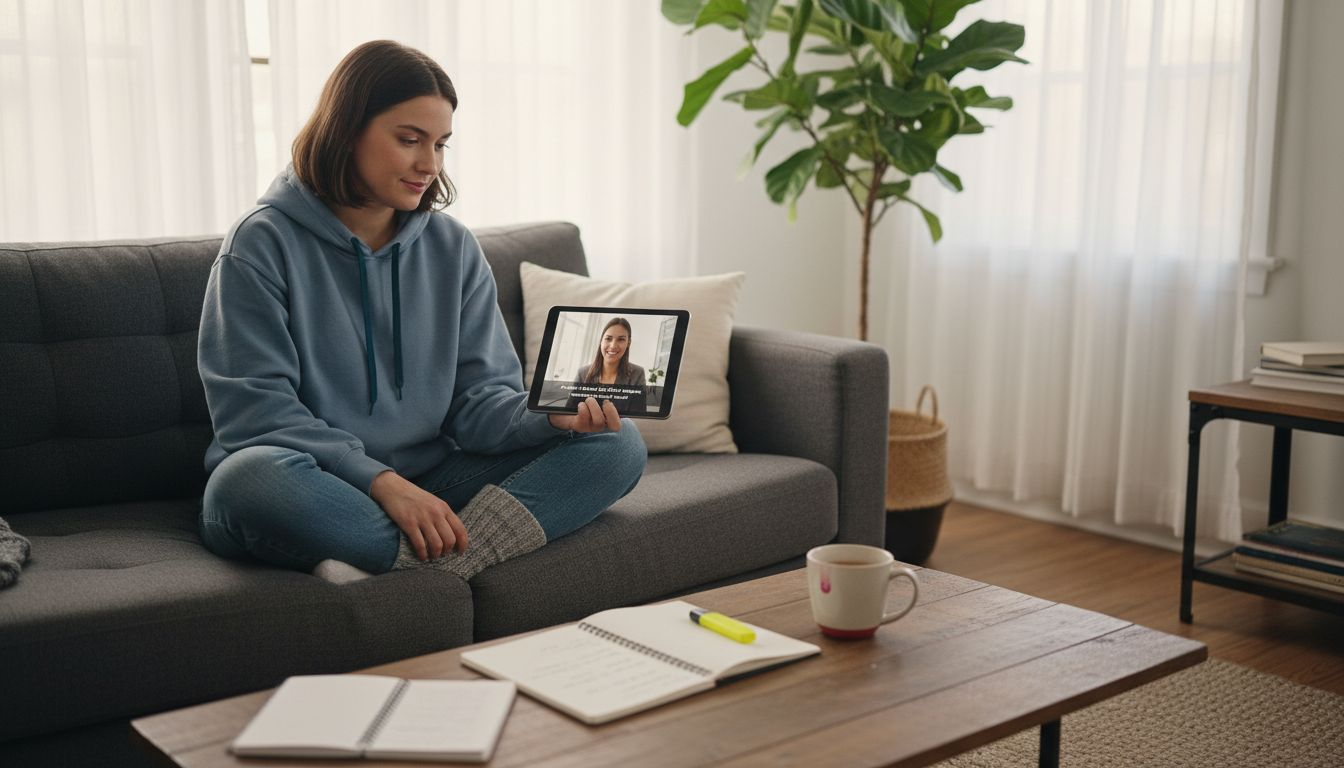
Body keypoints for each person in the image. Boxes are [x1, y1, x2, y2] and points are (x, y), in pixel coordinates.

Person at [197, 40, 646, 584]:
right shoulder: (261, 243)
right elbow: (258, 415)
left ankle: (428, 564)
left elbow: (479, 405)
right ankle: (430, 558)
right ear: (346, 131)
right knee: (248, 480)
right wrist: (382, 483)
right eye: (409, 140)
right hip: (322, 483)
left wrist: (550, 416)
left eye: (440, 144)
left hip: (434, 484)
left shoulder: (452, 247)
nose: (429, 165)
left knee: (618, 444)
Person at [566, 317, 648, 415]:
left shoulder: (637, 374)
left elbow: (638, 417)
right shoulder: (582, 373)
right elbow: (569, 414)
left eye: (621, 339)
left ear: (628, 343)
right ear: (601, 341)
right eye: (608, 339)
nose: (613, 345)